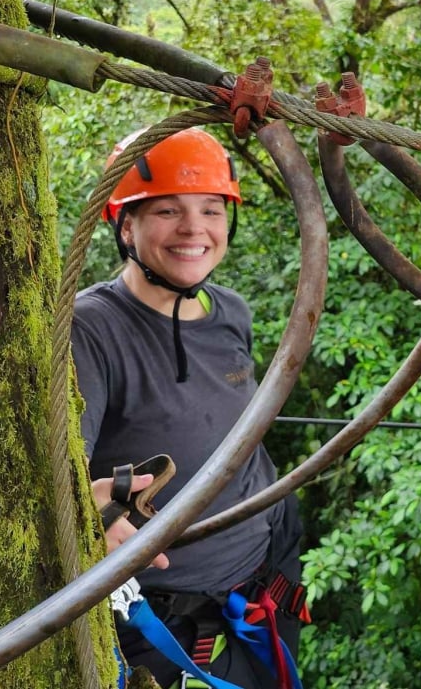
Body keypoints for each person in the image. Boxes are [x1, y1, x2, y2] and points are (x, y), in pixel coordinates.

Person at [72, 125, 307, 689]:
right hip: (166, 620)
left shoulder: (232, 312)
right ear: (124, 225)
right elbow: (65, 473)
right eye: (167, 212)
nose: (195, 229)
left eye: (211, 209)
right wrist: (86, 509)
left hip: (264, 580)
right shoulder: (91, 328)